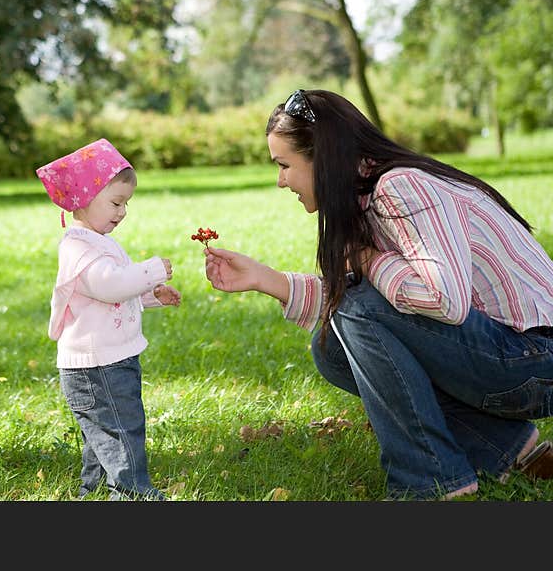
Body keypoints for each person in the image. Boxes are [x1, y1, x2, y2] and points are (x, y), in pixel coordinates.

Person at [204, 89, 553, 500]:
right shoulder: (363, 200)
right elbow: (372, 315)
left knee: (355, 309)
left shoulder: (400, 186)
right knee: (332, 349)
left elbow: (445, 301)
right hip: (503, 355)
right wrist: (265, 278)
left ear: (324, 157)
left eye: (284, 165)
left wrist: (368, 261)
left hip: (534, 361)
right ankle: (507, 449)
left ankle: (429, 482)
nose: (280, 181)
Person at [36, 138, 181, 500]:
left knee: (103, 432)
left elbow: (110, 297)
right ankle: (133, 493)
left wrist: (150, 294)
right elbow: (108, 285)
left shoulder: (98, 241)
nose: (123, 212)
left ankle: (96, 488)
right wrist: (151, 272)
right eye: (116, 202)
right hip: (97, 366)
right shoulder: (79, 247)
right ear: (84, 198)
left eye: (126, 204)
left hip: (106, 360)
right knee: (121, 429)